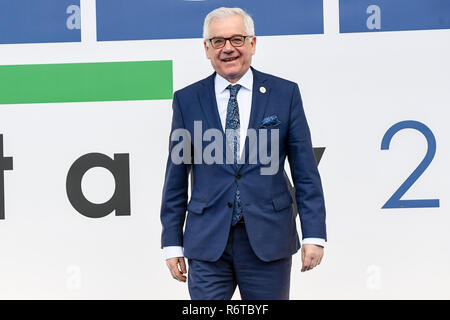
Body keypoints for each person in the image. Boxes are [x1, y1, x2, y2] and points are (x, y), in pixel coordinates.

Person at [160, 7, 326, 300]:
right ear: (206, 49)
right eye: (218, 41)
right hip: (207, 244)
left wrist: (313, 234)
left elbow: (305, 173)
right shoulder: (186, 100)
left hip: (268, 241)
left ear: (253, 43)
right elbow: (175, 177)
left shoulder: (284, 94)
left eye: (237, 39)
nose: (228, 49)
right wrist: (171, 242)